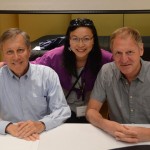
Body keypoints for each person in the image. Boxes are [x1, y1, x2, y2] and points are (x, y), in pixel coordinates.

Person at [31, 18, 113, 123]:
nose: (80, 44)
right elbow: (33, 67)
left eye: (86, 39)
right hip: (61, 113)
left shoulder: (104, 58)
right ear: (68, 40)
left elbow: (122, 64)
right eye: (75, 39)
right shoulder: (55, 56)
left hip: (91, 113)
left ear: (94, 40)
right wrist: (5, 64)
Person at [0, 28, 71, 141]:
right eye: (9, 52)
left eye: (20, 50)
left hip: (43, 135)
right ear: (3, 54)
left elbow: (62, 110)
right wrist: (7, 126)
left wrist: (41, 124)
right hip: (10, 137)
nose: (16, 57)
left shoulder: (47, 74)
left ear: (29, 51)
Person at [86, 26, 150, 143]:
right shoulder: (106, 72)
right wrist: (106, 124)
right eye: (118, 53)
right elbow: (91, 111)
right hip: (117, 138)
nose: (124, 59)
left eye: (129, 52)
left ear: (141, 50)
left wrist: (147, 135)